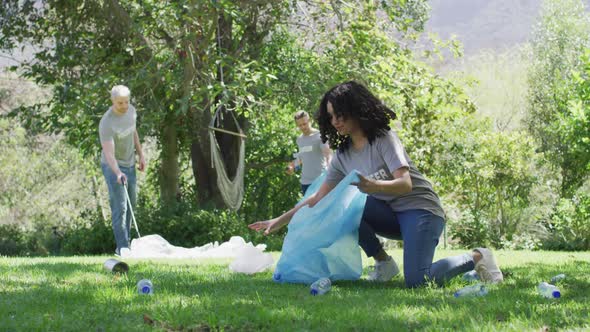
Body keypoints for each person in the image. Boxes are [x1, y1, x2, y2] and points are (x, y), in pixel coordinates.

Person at [250, 81, 503, 288]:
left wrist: (374, 186)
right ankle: (383, 263)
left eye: (340, 114)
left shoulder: (384, 138)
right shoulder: (343, 155)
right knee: (340, 206)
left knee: (417, 280)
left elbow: (405, 185)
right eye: (331, 116)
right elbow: (318, 198)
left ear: (356, 109)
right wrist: (279, 220)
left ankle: (478, 256)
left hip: (421, 210)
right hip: (391, 216)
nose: (336, 121)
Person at [99, 85, 146, 257]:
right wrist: (118, 172)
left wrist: (141, 155)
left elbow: (133, 133)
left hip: (130, 164)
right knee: (120, 207)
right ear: (113, 101)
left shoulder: (131, 111)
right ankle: (122, 247)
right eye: (120, 103)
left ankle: (125, 244)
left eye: (126, 102)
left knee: (131, 204)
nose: (124, 106)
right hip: (113, 167)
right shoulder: (107, 122)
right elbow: (109, 154)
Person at [286, 111, 333, 195]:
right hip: (305, 183)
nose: (303, 127)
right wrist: (292, 166)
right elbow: (302, 157)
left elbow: (328, 154)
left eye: (305, 123)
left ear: (310, 121)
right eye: (300, 125)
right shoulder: (299, 140)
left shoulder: (320, 136)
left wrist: (331, 169)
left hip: (320, 181)